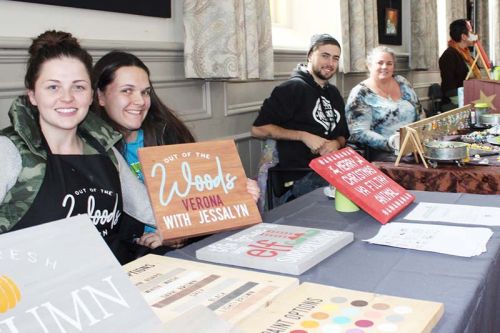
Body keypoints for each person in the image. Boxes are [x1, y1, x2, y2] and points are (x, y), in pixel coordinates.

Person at [0, 31, 157, 264]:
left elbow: (151, 211)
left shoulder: (105, 151)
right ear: (32, 95)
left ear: (92, 95)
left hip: (108, 284)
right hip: (32, 293)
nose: (67, 98)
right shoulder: (9, 152)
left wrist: (174, 229)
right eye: (53, 87)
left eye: (78, 87)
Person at [92, 51, 260, 245]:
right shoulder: (93, 150)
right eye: (127, 90)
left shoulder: (167, 133)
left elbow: (201, 196)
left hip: (190, 241)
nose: (140, 101)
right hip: (135, 253)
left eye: (145, 92)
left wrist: (238, 193)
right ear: (100, 96)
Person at [251, 34, 349, 204]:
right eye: (324, 56)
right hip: (301, 175)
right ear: (310, 55)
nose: (330, 63)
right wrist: (303, 136)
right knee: (350, 192)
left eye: (335, 58)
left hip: (332, 167)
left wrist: (336, 144)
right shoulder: (291, 89)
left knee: (370, 181)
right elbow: (258, 129)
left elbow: (343, 135)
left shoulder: (333, 93)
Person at [345, 46, 422, 161]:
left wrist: (422, 136)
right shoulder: (360, 93)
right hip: (381, 153)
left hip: (413, 147)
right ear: (369, 65)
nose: (384, 67)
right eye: (380, 63)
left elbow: (419, 112)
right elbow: (359, 132)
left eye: (389, 63)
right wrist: (393, 144)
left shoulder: (402, 82)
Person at [439, 19, 481, 111]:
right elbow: (449, 88)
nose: (476, 36)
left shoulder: (468, 55)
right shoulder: (448, 55)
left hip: (472, 98)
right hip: (456, 103)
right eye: (471, 32)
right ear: (463, 36)